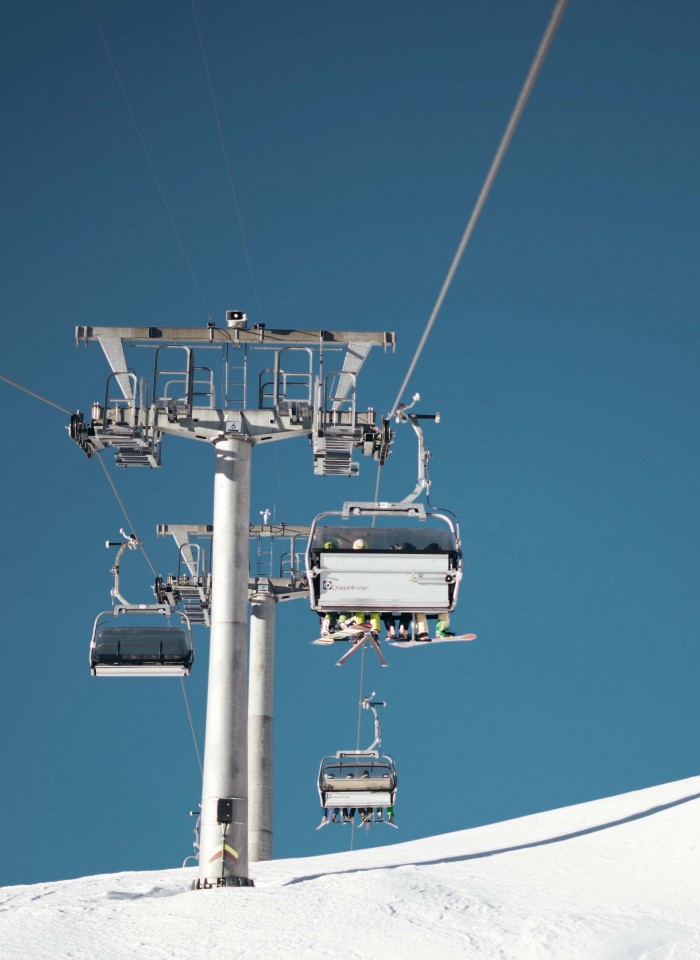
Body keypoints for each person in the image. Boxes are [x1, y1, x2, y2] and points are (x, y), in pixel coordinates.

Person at [349, 539, 381, 644]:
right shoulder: (371, 559)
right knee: (374, 611)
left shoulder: (351, 560)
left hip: (360, 589)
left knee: (360, 611)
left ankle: (360, 631)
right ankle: (374, 630)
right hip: (371, 590)